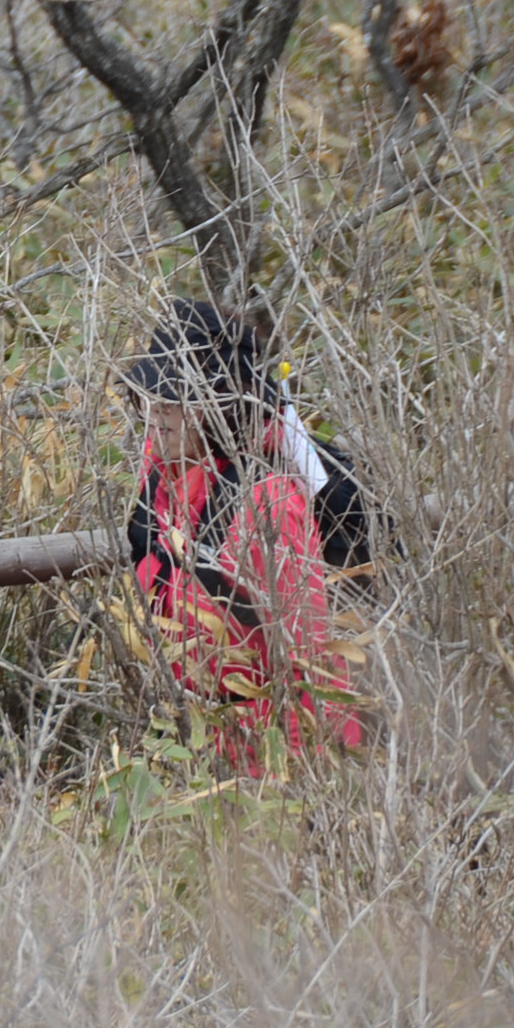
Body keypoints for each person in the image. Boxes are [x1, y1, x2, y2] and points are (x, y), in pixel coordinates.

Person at [122, 299, 361, 769]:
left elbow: (306, 665)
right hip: (191, 743)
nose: (155, 412)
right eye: (149, 395)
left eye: (173, 399)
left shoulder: (266, 504)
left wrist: (299, 786)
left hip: (268, 753)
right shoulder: (164, 477)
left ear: (218, 407)